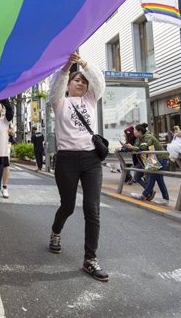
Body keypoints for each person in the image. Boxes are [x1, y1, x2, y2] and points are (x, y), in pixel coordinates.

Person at [48, 52, 108, 282]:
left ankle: (90, 259)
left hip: (91, 159)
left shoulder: (92, 100)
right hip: (67, 160)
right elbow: (55, 87)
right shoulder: (60, 102)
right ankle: (55, 232)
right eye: (77, 79)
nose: (81, 82)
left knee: (92, 209)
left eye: (83, 80)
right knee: (68, 206)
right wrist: (66, 68)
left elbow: (99, 81)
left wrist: (83, 64)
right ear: (69, 84)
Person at [129, 123, 169, 206]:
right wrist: (129, 147)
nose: (134, 132)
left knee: (152, 177)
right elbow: (137, 147)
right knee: (159, 179)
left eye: (135, 130)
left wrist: (133, 148)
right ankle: (165, 199)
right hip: (152, 159)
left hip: (159, 158)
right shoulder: (139, 138)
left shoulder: (148, 137)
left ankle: (144, 195)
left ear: (139, 131)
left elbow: (144, 147)